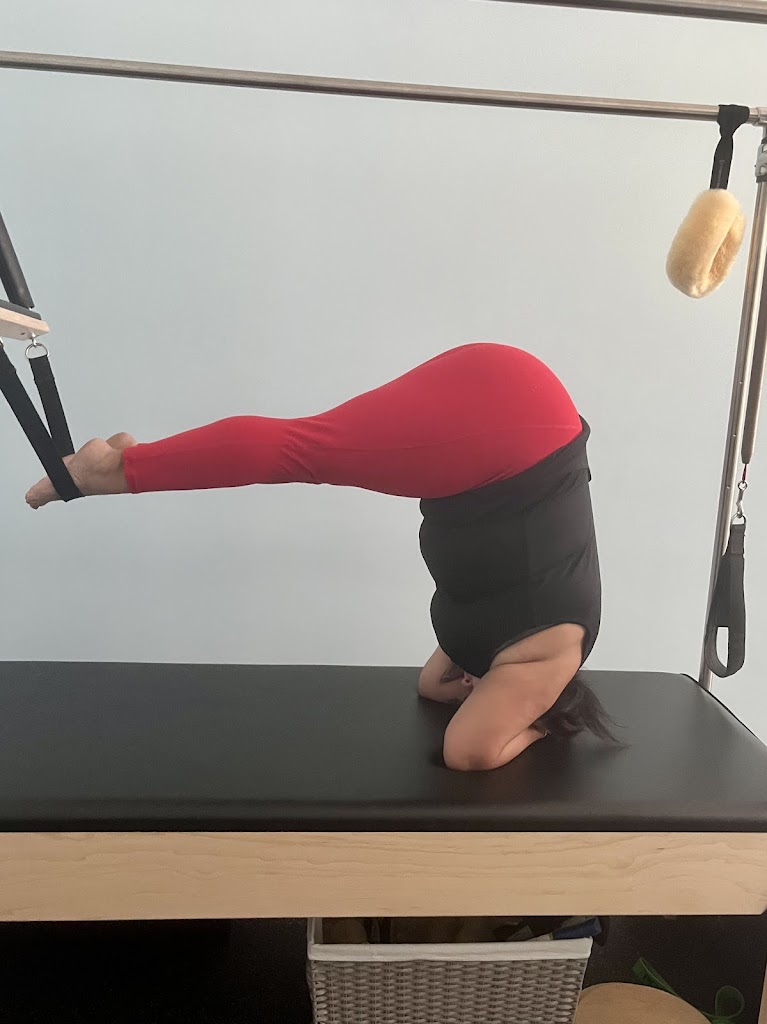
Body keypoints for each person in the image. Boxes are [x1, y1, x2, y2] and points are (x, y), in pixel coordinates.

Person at [25, 342, 613, 770]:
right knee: (299, 449)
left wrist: (502, 696)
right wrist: (541, 730)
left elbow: (434, 685)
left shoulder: (507, 641)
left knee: (302, 444)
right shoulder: (546, 652)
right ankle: (114, 469)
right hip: (513, 432)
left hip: (510, 399)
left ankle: (129, 460)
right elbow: (472, 752)